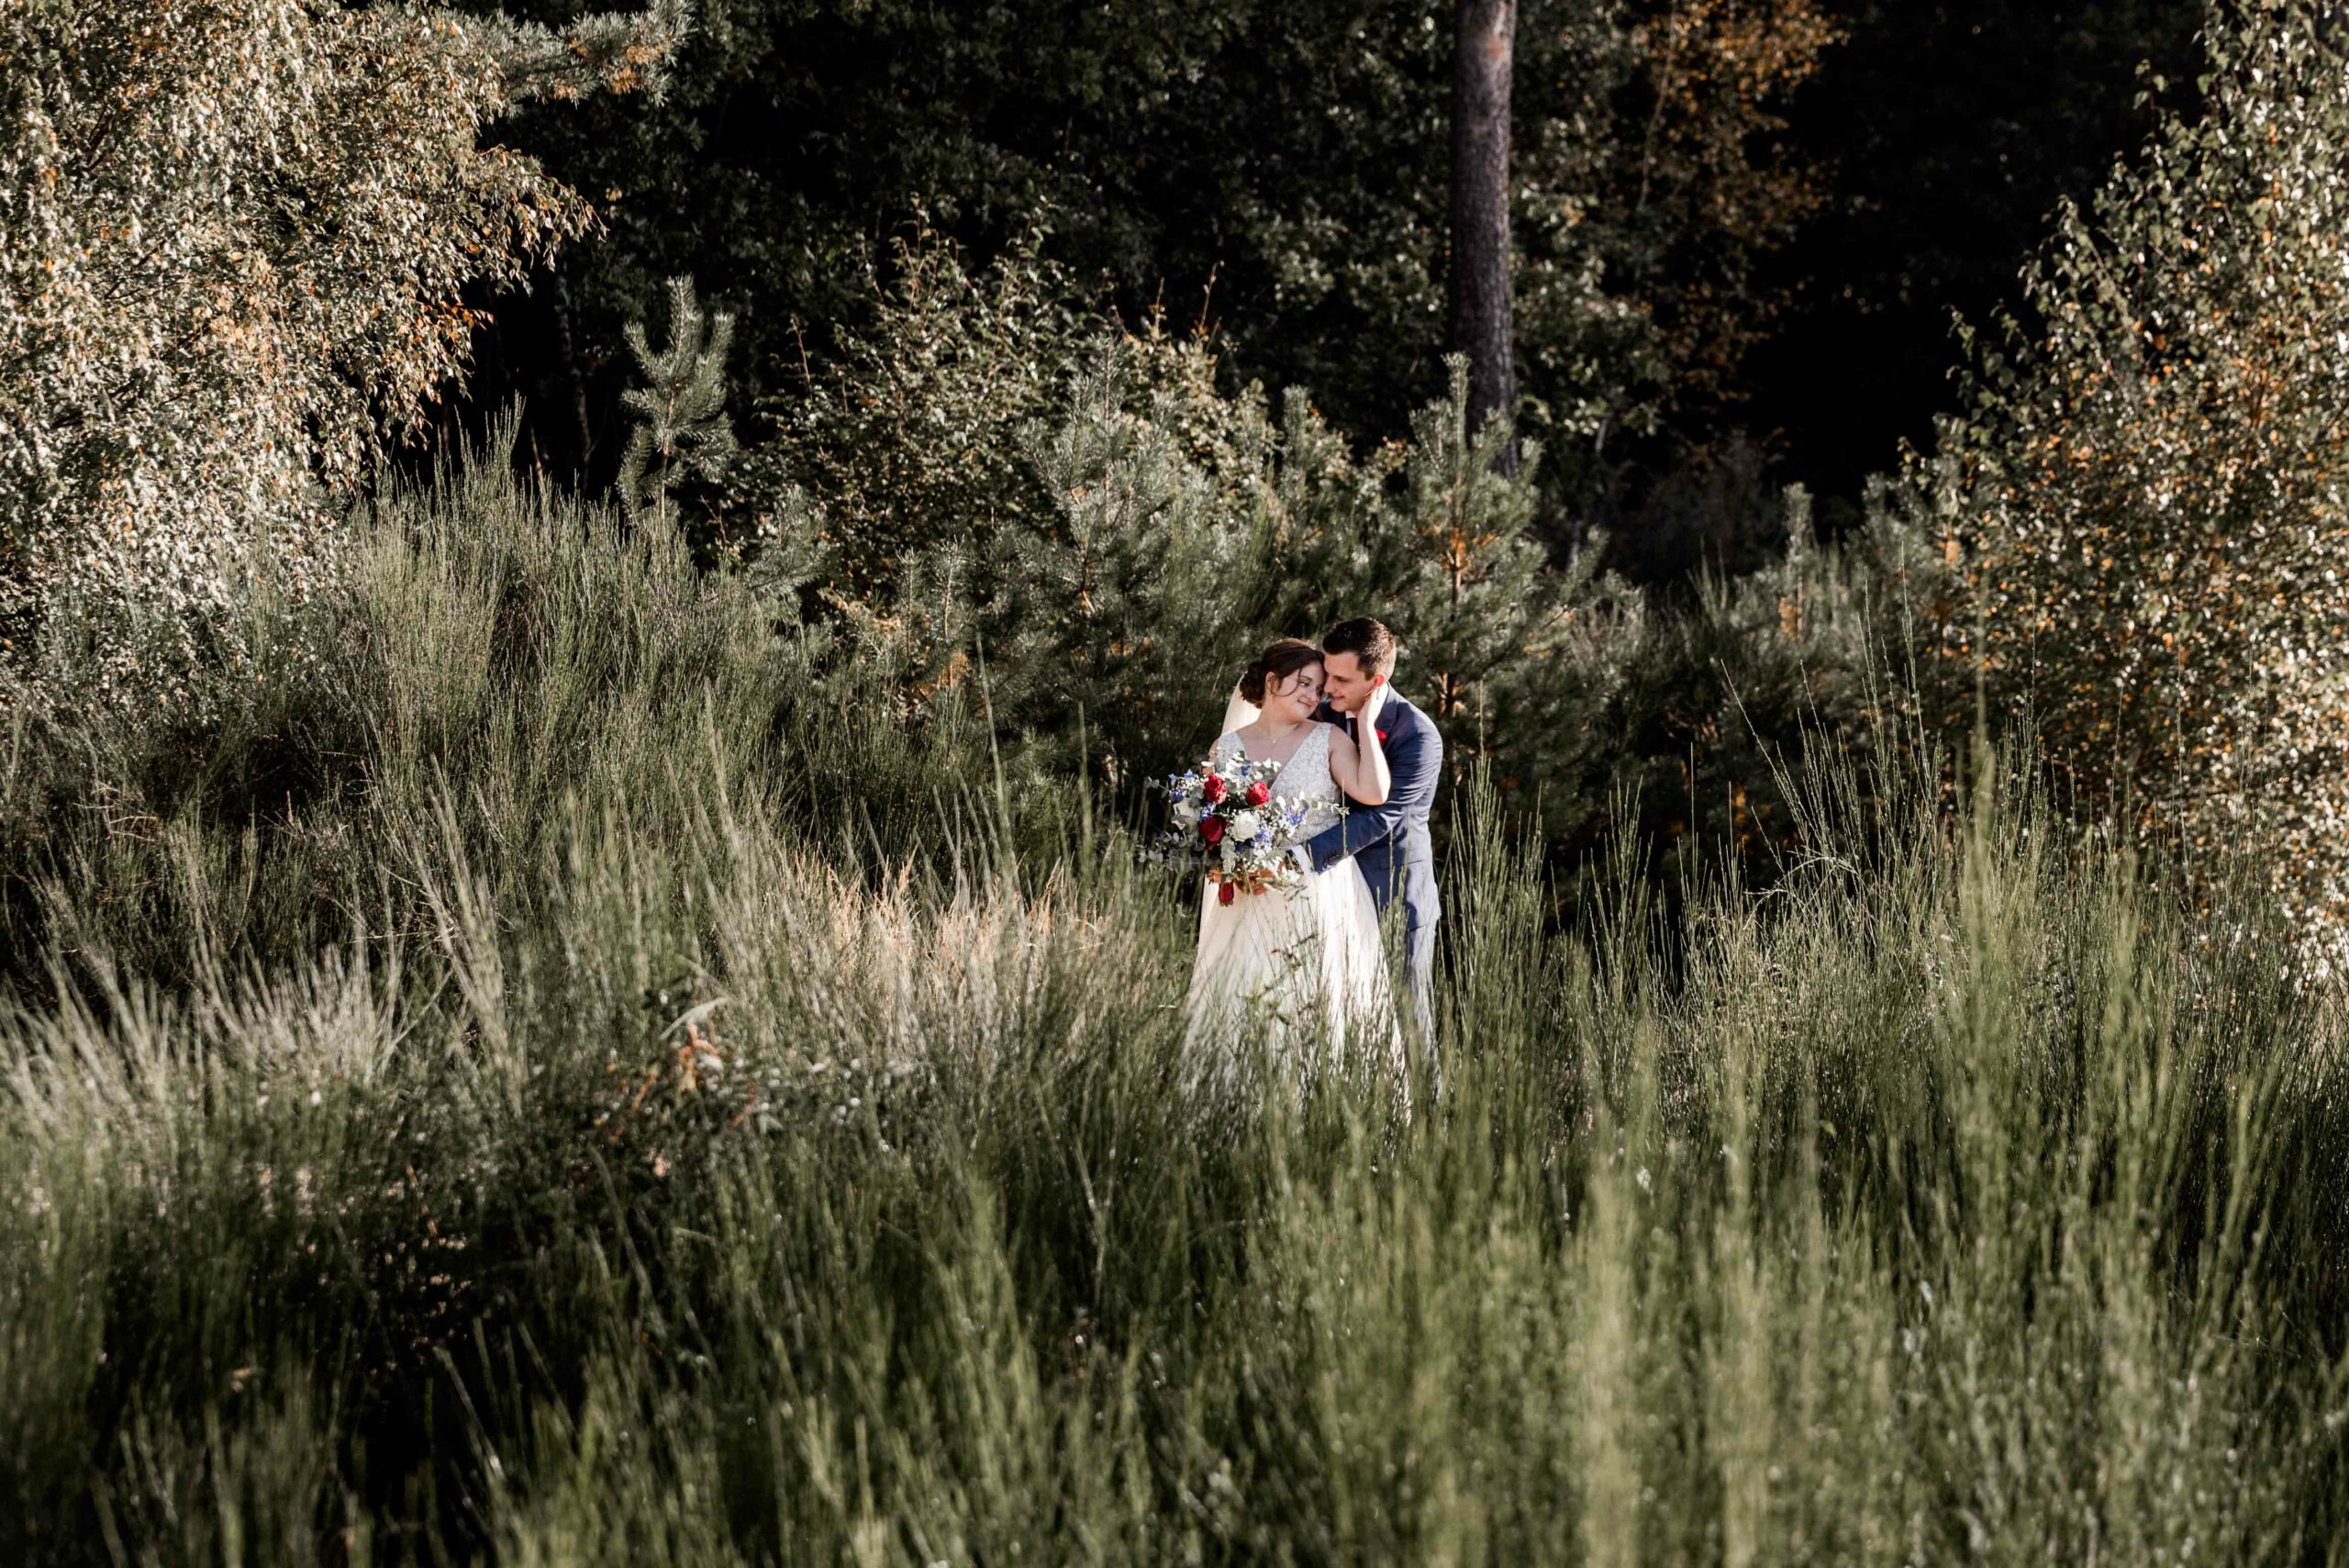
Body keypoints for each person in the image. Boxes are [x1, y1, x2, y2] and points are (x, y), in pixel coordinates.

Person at [1183, 637, 1403, 1091]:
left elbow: (1374, 792)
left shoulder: (1330, 738)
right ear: (1271, 680)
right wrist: (1226, 860)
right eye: (1303, 683)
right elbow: (1208, 824)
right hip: (1246, 899)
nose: (1312, 696)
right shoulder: (1225, 746)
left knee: (1311, 1000)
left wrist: (1365, 723)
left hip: (1314, 894)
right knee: (1242, 996)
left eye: (1319, 689)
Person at [1291, 617, 1442, 1062]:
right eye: (1327, 673)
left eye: (1340, 679)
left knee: (1407, 1020)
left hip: (1392, 894)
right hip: (1329, 894)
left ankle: (1427, 1125)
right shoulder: (1324, 713)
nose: (1327, 687)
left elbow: (1383, 816)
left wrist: (1298, 856)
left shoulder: (1416, 734)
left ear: (1376, 681)